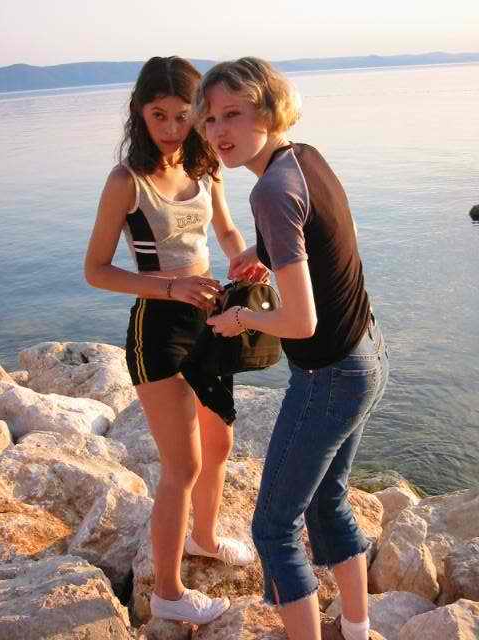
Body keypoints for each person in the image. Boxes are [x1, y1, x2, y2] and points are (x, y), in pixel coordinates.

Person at [195, 57, 389, 640]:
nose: (219, 131)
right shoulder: (303, 158)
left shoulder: (270, 192)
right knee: (328, 502)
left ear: (268, 111)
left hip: (328, 373)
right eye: (209, 118)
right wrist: (261, 252)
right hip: (367, 353)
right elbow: (320, 231)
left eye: (233, 114)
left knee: (274, 529)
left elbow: (300, 322)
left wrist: (238, 318)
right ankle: (356, 630)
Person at [84, 56, 265, 625]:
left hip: (210, 320)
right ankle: (167, 591)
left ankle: (204, 539)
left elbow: (225, 229)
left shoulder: (206, 166)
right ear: (140, 113)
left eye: (182, 115)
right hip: (157, 330)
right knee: (182, 465)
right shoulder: (127, 182)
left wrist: (244, 258)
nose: (170, 127)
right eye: (157, 115)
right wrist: (170, 285)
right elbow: (96, 270)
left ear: (199, 113)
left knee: (219, 443)